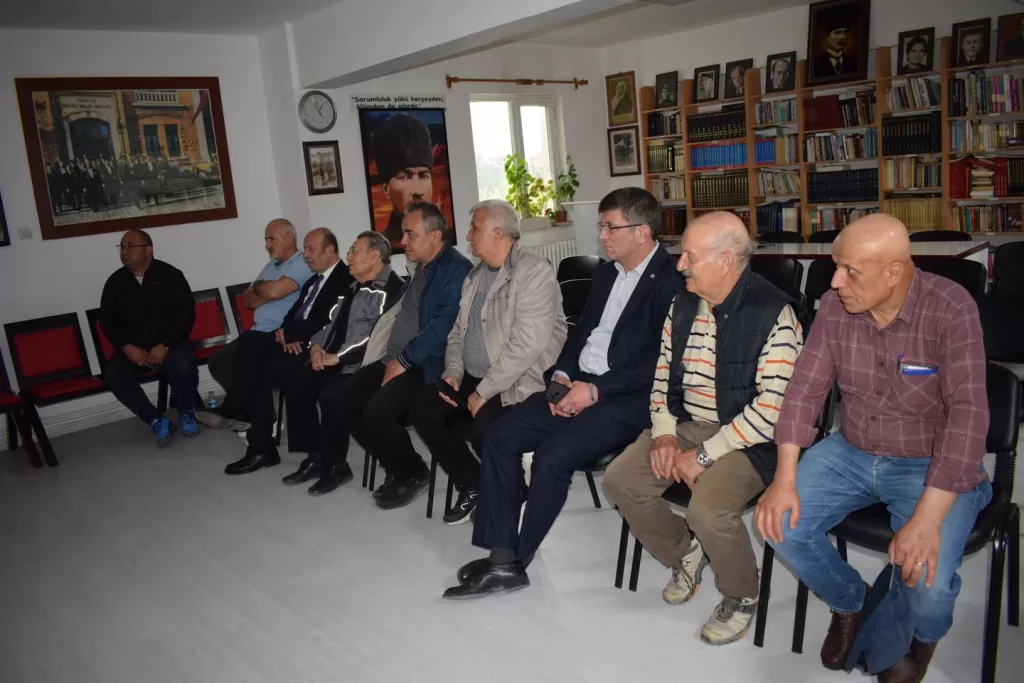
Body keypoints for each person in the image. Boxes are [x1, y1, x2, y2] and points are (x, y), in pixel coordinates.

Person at [756, 214, 991, 683]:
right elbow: (804, 391)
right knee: (778, 524)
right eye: (836, 267)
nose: (835, 282)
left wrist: (926, 519)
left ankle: (923, 633)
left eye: (851, 271)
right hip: (853, 450)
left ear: (894, 272)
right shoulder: (834, 307)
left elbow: (967, 416)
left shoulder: (950, 308)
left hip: (930, 461)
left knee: (927, 583)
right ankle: (851, 602)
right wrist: (784, 478)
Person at [443, 187, 681, 600]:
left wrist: (595, 390)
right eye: (601, 226)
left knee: (552, 457)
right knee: (499, 436)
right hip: (580, 383)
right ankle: (501, 554)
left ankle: (516, 561)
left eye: (610, 227)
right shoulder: (607, 274)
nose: (601, 235)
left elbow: (660, 360)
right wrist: (563, 376)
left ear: (642, 232)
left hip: (629, 398)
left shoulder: (672, 281)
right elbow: (580, 332)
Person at [603, 212, 803, 645]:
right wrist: (665, 432)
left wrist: (707, 455)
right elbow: (662, 375)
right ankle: (687, 552)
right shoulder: (682, 303)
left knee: (707, 510)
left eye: (689, 257)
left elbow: (772, 409)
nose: (680, 265)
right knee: (620, 481)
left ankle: (742, 593)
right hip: (688, 423)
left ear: (726, 261)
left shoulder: (774, 313)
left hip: (750, 438)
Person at [409, 200, 567, 526]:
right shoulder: (475, 275)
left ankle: (511, 491)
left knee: (486, 429)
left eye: (474, 229)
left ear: (497, 233)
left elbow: (527, 346)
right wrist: (454, 371)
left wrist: (484, 391)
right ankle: (474, 483)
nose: (468, 236)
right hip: (473, 377)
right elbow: (457, 332)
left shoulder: (533, 272)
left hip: (518, 381)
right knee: (423, 408)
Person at [322, 202, 471, 508]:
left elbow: (442, 328)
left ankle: (412, 472)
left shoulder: (455, 270)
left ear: (434, 235)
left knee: (377, 411)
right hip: (396, 356)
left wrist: (403, 361)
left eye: (410, 234)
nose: (403, 241)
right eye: (404, 233)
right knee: (343, 399)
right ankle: (399, 465)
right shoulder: (421, 267)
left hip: (426, 362)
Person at [280, 231, 404, 495]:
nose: (348, 256)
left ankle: (337, 466)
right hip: (340, 357)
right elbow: (330, 323)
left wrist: (336, 357)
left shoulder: (386, 290)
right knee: (297, 381)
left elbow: (374, 338)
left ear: (374, 256)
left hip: (362, 363)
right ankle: (316, 457)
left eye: (355, 251)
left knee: (331, 394)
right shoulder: (353, 286)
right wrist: (316, 346)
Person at [222, 228, 354, 475]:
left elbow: (328, 320)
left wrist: (292, 335)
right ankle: (261, 446)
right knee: (252, 351)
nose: (305, 255)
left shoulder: (345, 279)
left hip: (321, 348)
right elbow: (293, 312)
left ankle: (243, 417)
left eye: (311, 249)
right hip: (297, 341)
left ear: (330, 250)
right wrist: (284, 332)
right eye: (305, 249)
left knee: (281, 374)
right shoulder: (314, 281)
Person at [197, 219, 313, 431]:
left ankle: (235, 409)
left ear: (289, 238)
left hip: (281, 333)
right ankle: (255, 415)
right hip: (259, 331)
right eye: (266, 240)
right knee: (218, 362)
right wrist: (267, 289)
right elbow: (248, 301)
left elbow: (274, 292)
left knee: (251, 353)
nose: (267, 245)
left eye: (271, 239)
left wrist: (267, 290)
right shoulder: (270, 266)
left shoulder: (302, 262)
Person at [100, 230, 199, 445]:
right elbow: (108, 321)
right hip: (133, 349)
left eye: (130, 246)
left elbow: (186, 314)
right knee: (114, 373)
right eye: (122, 247)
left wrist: (166, 344)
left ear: (148, 250)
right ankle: (155, 419)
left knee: (184, 364)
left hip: (169, 344)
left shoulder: (170, 275)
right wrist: (126, 347)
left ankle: (185, 412)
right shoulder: (115, 282)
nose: (124, 251)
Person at [371, 114, 434, 244]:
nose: (417, 191)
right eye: (404, 177)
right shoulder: (383, 246)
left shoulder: (443, 239)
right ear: (386, 189)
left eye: (423, 176)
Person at [813, 9, 859, 79]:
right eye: (837, 33)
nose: (842, 37)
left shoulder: (853, 64)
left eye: (845, 32)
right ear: (827, 36)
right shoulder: (817, 65)